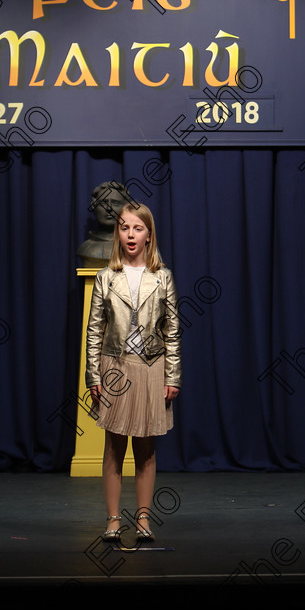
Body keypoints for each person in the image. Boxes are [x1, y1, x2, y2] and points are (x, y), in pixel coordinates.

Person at [85, 202, 181, 542]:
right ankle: (113, 520)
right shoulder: (106, 277)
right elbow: (94, 331)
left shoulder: (163, 277)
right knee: (114, 448)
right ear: (118, 233)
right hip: (116, 368)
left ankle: (143, 520)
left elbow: (172, 331)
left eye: (137, 228)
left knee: (146, 449)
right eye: (124, 227)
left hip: (152, 369)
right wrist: (93, 376)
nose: (130, 234)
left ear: (149, 235)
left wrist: (173, 376)